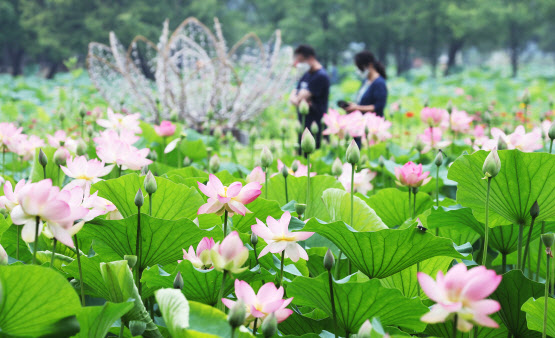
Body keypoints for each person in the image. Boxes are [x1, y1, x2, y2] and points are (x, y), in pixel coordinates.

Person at [289, 45, 330, 152]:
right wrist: (297, 97)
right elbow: (295, 93)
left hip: (315, 125)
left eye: (301, 61)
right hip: (304, 124)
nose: (299, 64)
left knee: (313, 157)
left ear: (311, 58)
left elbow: (299, 98)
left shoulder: (321, 76)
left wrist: (298, 98)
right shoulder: (307, 74)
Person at [345, 51, 388, 117]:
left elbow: (378, 106)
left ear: (370, 65)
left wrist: (357, 108)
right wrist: (353, 106)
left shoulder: (379, 83)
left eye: (360, 68)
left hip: (373, 122)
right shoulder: (365, 81)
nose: (358, 71)